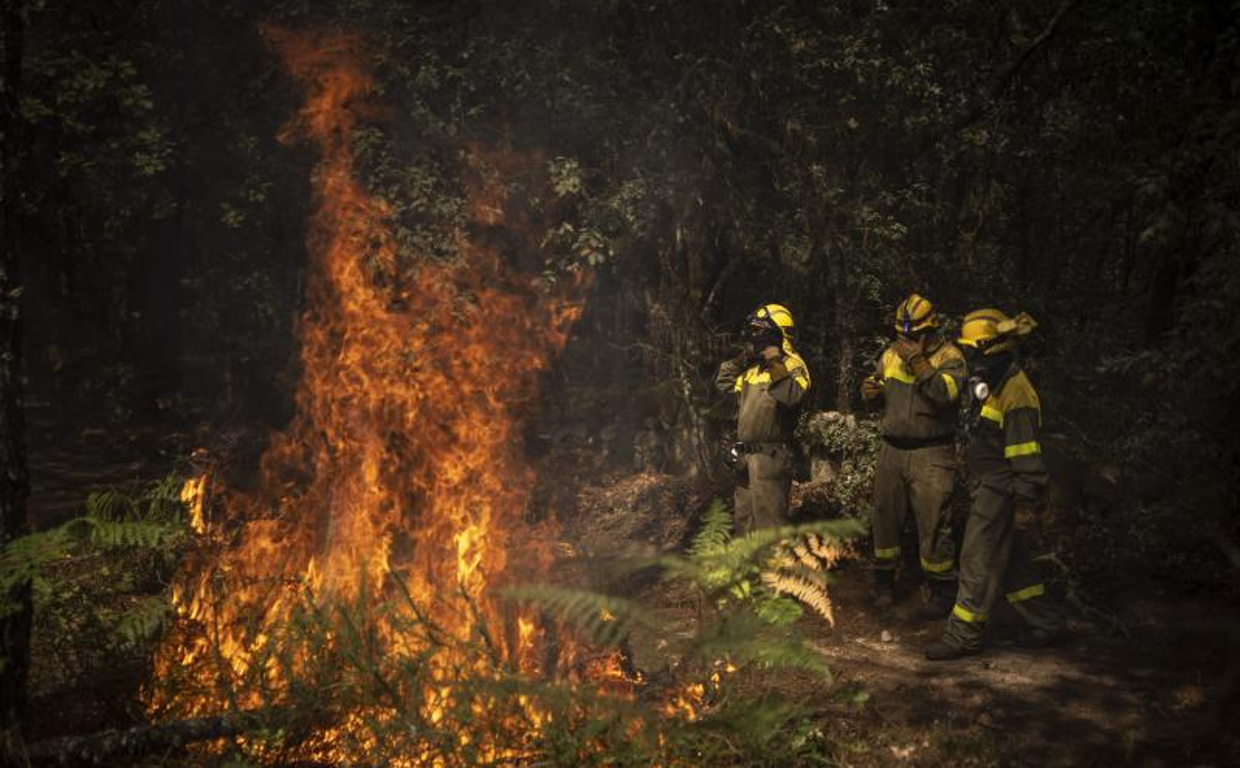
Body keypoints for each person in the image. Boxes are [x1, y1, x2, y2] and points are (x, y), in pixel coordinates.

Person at [925, 309, 1065, 660]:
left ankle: (964, 635)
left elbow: (1025, 452)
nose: (971, 357)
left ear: (994, 347)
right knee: (1013, 561)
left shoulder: (1016, 391)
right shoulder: (993, 384)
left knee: (977, 558)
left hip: (1000, 488)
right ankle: (1046, 622)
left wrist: (1024, 498)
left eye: (974, 350)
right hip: (985, 485)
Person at [861, 293, 965, 616]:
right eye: (901, 335)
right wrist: (870, 392)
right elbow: (877, 389)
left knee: (934, 523)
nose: (903, 341)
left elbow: (945, 395)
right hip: (892, 450)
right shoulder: (890, 355)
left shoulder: (951, 357)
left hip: (931, 453)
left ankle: (942, 591)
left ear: (929, 331)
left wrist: (919, 362)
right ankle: (883, 585)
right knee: (885, 520)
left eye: (911, 335)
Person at [715, 304, 811, 534]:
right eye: (753, 331)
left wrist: (776, 363)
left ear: (776, 333)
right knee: (744, 526)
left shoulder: (793, 365)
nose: (753, 336)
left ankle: (773, 571)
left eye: (759, 331)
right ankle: (748, 571)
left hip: (771, 458)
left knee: (770, 529)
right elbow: (724, 384)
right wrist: (744, 357)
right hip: (745, 458)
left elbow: (793, 396)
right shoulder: (752, 369)